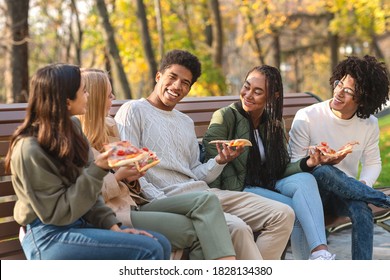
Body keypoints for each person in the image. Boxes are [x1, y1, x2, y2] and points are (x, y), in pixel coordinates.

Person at [114, 49, 295, 260]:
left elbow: (195, 174)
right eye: (172, 77)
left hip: (204, 194)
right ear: (158, 76)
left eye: (185, 83)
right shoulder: (133, 110)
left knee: (283, 214)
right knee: (238, 228)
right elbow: (132, 172)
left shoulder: (185, 121)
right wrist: (165, 203)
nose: (177, 86)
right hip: (167, 199)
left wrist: (220, 161)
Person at [4, 63, 171, 260]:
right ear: (66, 102)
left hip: (80, 221)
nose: (88, 96)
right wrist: (98, 169)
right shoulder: (29, 149)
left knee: (161, 243)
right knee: (149, 249)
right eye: (84, 91)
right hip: (50, 234)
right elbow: (58, 214)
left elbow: (90, 196)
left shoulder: (72, 127)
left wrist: (114, 228)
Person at [78, 68, 236, 260]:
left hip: (133, 202)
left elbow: (123, 175)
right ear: (93, 98)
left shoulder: (108, 126)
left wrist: (133, 173)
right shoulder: (75, 138)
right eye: (109, 94)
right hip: (112, 212)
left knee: (207, 200)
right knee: (200, 230)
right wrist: (119, 176)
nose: (113, 98)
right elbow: (86, 194)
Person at [202, 65, 335, 260]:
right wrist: (223, 159)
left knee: (306, 179)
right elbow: (210, 165)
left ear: (272, 97)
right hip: (239, 189)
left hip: (269, 183)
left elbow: (280, 169)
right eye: (246, 87)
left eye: (257, 92)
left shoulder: (273, 123)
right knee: (296, 210)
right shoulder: (225, 117)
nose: (248, 94)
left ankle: (320, 253)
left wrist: (310, 162)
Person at [288, 55, 390, 260]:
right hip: (311, 196)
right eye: (339, 84)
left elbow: (373, 162)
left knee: (362, 211)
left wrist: (362, 185)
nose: (338, 93)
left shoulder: (368, 123)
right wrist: (315, 162)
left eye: (348, 91)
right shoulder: (307, 116)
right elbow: (292, 167)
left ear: (363, 98)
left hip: (346, 194)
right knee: (323, 170)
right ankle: (383, 200)